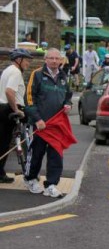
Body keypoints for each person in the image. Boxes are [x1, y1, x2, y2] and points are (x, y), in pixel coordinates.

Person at [23, 48, 73, 198]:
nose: (54, 61)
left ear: (61, 60)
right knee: (36, 153)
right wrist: (37, 119)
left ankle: (51, 184)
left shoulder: (64, 76)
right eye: (51, 58)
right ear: (45, 59)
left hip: (56, 125)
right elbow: (29, 99)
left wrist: (68, 104)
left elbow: (68, 95)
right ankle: (30, 179)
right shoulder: (37, 74)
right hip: (40, 124)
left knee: (56, 155)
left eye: (57, 58)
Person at [0, 49, 32, 184]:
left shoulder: (8, 70)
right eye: (26, 60)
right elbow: (9, 91)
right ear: (19, 60)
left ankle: (0, 173)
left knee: (3, 142)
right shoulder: (16, 72)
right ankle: (30, 169)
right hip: (9, 109)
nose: (28, 63)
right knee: (4, 143)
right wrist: (16, 110)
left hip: (3, 108)